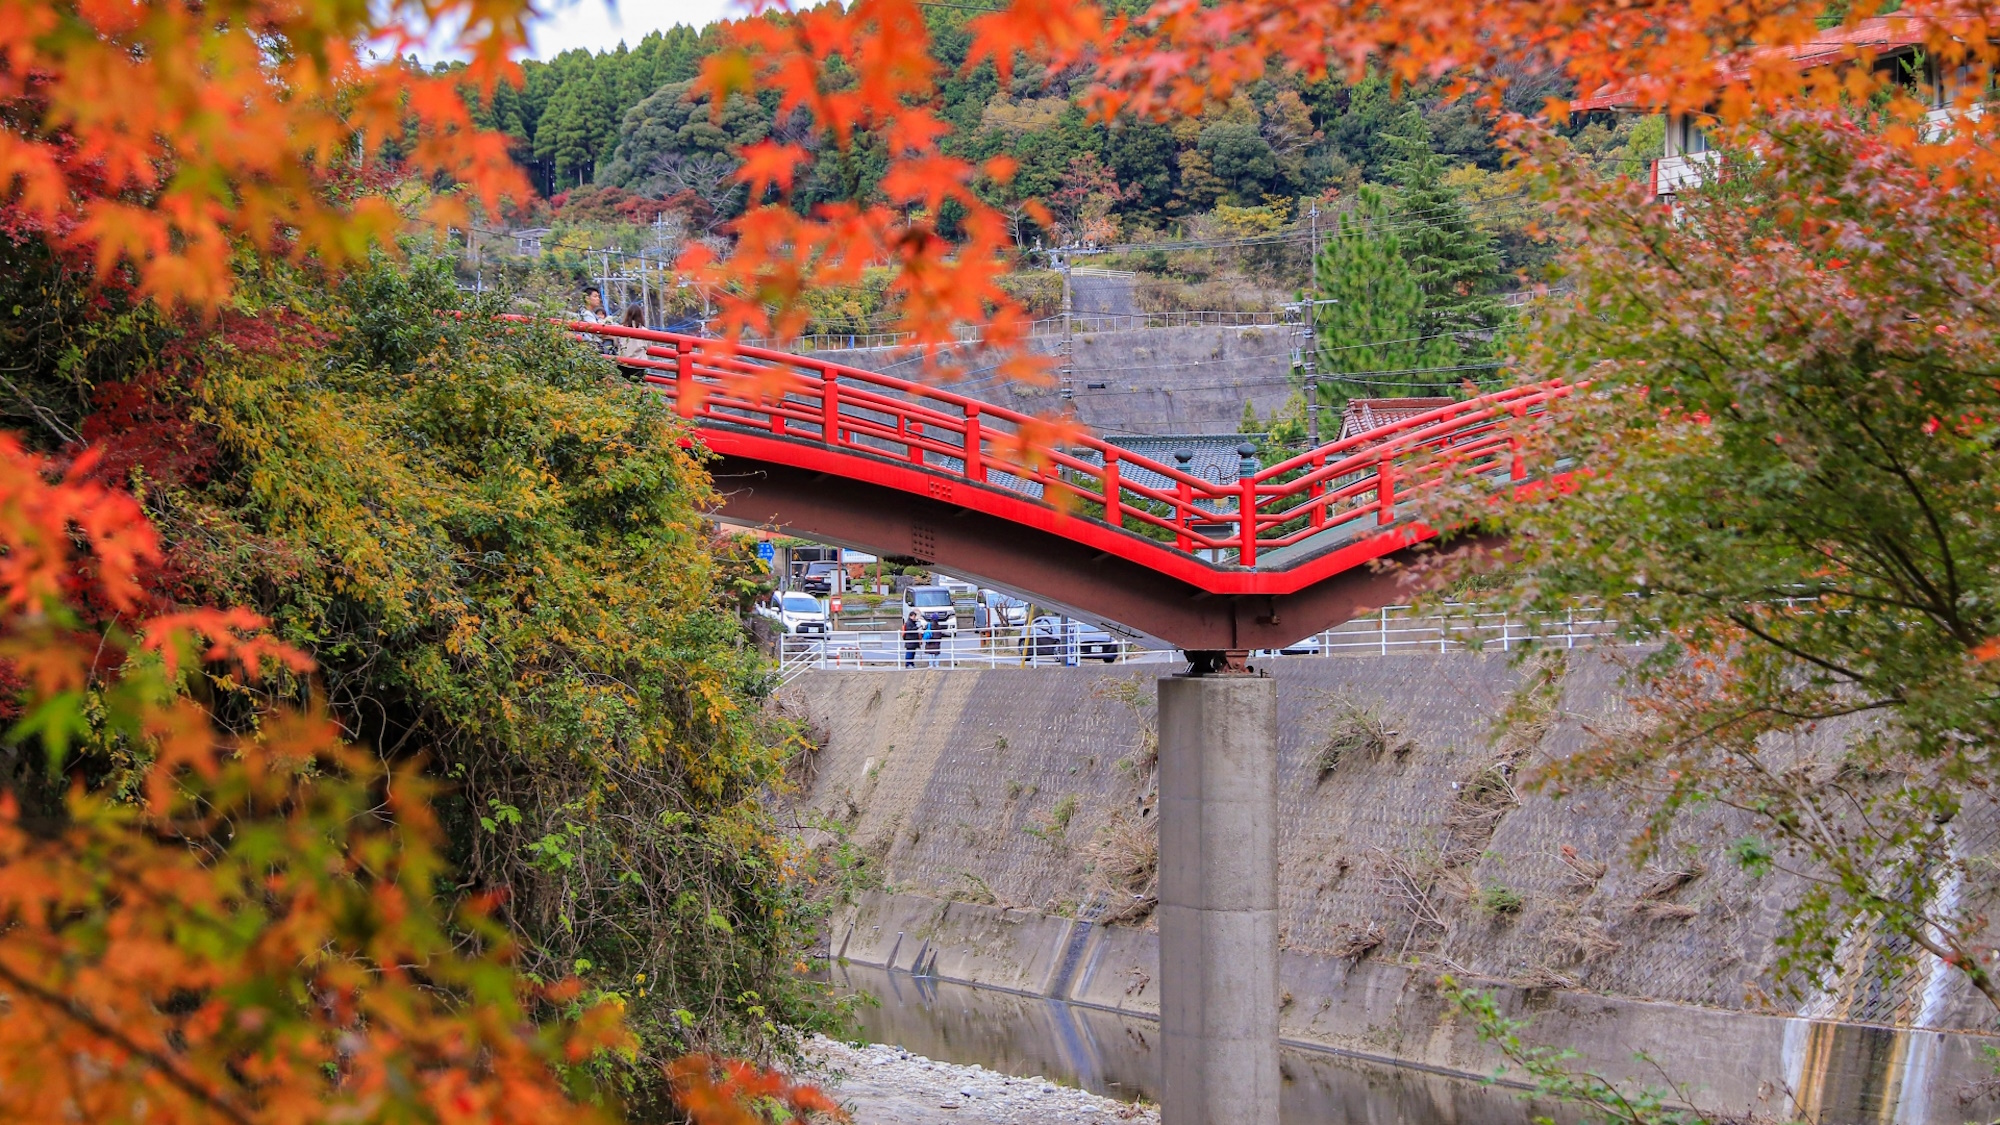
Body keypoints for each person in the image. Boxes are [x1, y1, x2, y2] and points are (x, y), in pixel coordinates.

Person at [615, 302, 650, 367]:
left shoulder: (620, 329)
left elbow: (616, 343)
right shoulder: (645, 331)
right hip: (640, 364)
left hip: (623, 364)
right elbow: (648, 346)